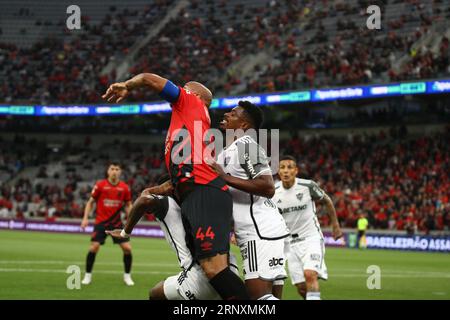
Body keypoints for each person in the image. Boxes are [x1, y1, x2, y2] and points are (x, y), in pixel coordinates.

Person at [103, 74, 249, 300]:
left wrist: (127, 85)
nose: (180, 90)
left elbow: (149, 78)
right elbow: (187, 172)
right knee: (209, 272)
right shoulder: (195, 125)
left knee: (213, 269)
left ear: (196, 95)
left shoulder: (190, 102)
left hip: (204, 191)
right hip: (198, 192)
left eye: (185, 89)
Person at [106, 175, 239, 300]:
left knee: (155, 294)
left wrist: (125, 232)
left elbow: (144, 200)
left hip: (202, 276)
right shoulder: (202, 198)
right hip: (230, 267)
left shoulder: (167, 202)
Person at [210, 100, 290, 300]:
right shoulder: (228, 151)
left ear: (244, 125)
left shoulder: (247, 145)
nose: (227, 114)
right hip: (262, 230)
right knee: (270, 297)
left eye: (234, 113)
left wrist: (225, 177)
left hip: (259, 231)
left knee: (258, 299)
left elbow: (267, 186)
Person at [272, 155, 343, 300]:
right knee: (301, 288)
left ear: (296, 171)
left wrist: (335, 226)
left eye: (289, 167)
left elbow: (327, 201)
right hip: (289, 244)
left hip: (311, 238)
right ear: (278, 171)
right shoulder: (273, 191)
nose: (286, 171)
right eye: (282, 167)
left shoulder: (307, 186)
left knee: (310, 274)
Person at [80, 162, 134, 286]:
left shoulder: (124, 188)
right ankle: (87, 276)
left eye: (117, 169)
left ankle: (127, 276)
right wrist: (85, 218)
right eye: (112, 169)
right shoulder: (100, 185)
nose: (114, 171)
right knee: (94, 247)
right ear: (108, 171)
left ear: (120, 172)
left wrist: (131, 219)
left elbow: (128, 205)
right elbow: (90, 202)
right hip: (101, 222)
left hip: (117, 223)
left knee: (127, 248)